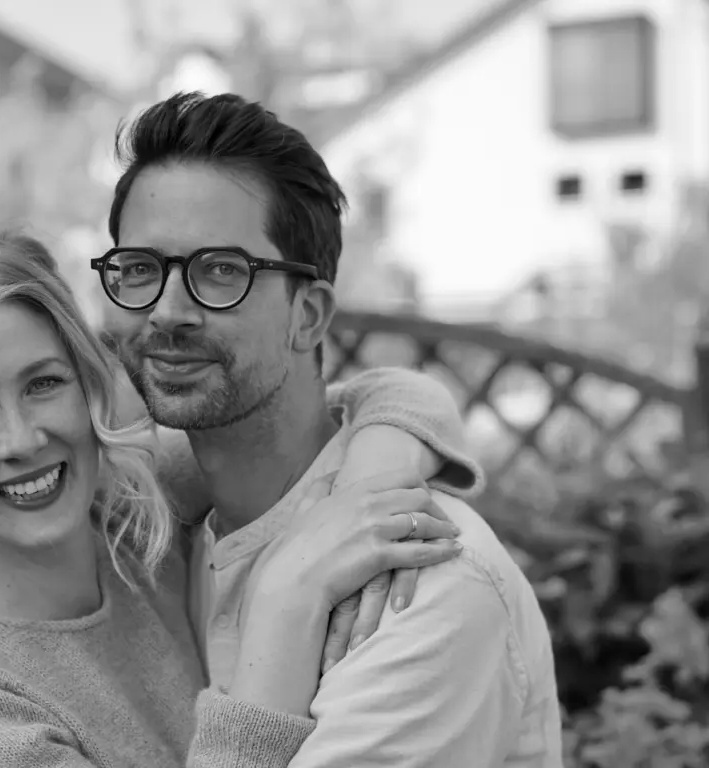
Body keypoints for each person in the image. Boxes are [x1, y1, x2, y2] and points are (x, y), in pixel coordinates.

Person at [0, 231, 478, 767]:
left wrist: (363, 494)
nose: (22, 439)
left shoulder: (139, 518)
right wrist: (288, 599)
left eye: (43, 384)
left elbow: (387, 396)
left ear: (88, 387)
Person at [96, 92, 563, 766]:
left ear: (309, 316)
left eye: (221, 271)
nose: (167, 311)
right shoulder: (158, 538)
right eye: (140, 269)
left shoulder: (417, 589)